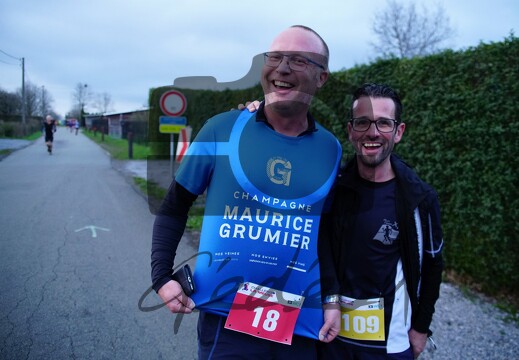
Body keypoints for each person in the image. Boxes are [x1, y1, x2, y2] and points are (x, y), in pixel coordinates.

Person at [151, 25, 342, 359]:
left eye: (298, 60)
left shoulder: (330, 148)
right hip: (226, 320)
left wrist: (331, 299)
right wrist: (161, 277)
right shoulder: (223, 128)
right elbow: (174, 206)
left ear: (321, 77)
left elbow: (320, 232)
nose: (282, 67)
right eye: (274, 57)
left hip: (297, 321)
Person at [317, 83, 444, 359]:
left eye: (384, 124)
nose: (373, 133)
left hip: (390, 345)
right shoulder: (330, 191)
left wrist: (421, 328)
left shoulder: (420, 198)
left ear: (398, 132)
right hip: (331, 338)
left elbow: (434, 265)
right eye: (363, 122)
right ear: (351, 130)